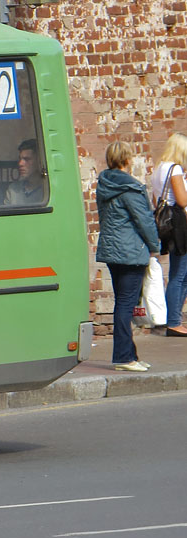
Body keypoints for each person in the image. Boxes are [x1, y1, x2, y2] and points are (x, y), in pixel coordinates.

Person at [95, 141, 159, 372]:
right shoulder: (131, 188)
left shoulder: (104, 185)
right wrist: (155, 246)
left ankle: (130, 354)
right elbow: (144, 221)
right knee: (126, 304)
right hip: (131, 252)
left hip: (112, 252)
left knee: (124, 303)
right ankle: (124, 357)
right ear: (127, 159)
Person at [150, 133, 187, 336]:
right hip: (179, 224)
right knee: (179, 274)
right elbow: (181, 200)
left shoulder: (159, 168)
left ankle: (174, 319)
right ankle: (174, 321)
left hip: (168, 224)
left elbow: (157, 201)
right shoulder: (175, 169)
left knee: (180, 272)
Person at [4, 138, 46, 205]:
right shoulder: (13, 189)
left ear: (39, 161)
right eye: (20, 159)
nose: (20, 163)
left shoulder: (48, 191)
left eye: (27, 159)